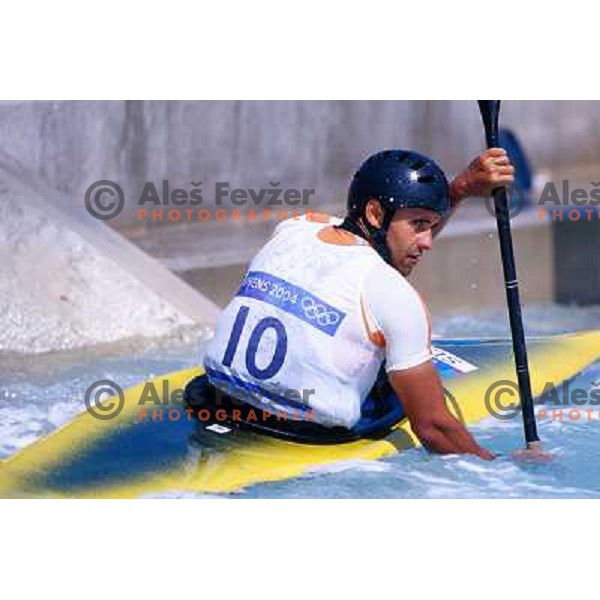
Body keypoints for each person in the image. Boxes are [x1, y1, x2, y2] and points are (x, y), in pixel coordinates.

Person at [197, 147, 515, 458]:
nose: (428, 242)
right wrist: (503, 471)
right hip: (307, 433)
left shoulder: (296, 227)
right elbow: (432, 428)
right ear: (375, 213)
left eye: (431, 226)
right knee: (397, 389)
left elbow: (364, 256)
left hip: (216, 399)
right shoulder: (396, 296)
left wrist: (460, 189)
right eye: (419, 225)